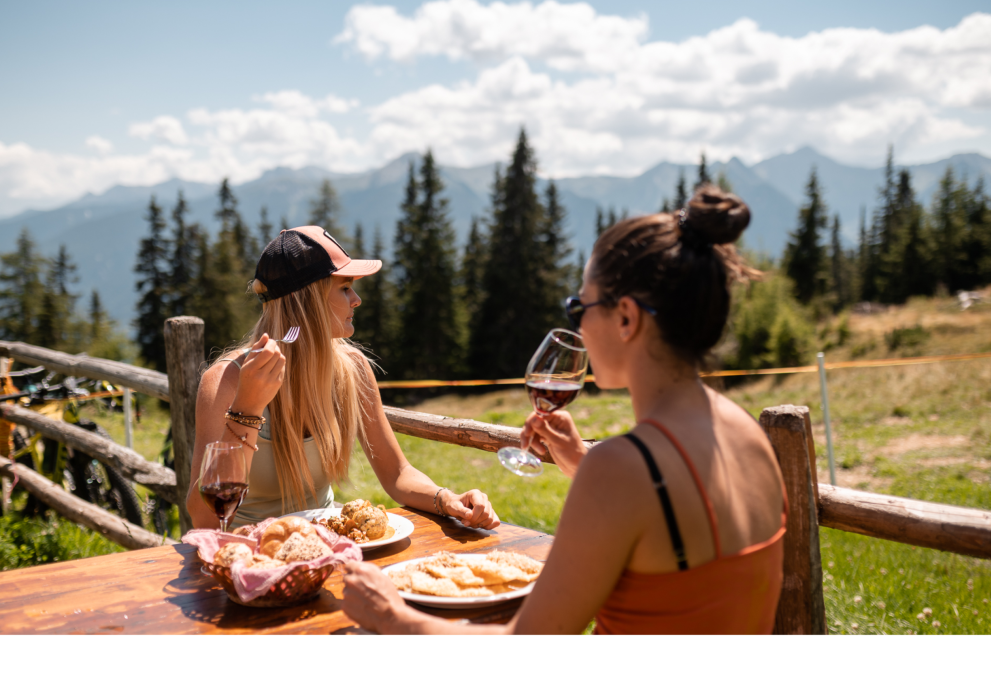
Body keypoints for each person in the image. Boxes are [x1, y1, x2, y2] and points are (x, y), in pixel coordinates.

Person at [342, 186, 786, 635]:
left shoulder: (626, 469)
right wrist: (581, 461)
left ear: (627, 318)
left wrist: (391, 616)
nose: (576, 324)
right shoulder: (747, 434)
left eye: (579, 307)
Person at [187, 225, 500, 532]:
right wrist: (248, 407)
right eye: (345, 287)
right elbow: (204, 519)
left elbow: (397, 473)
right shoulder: (226, 381)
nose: (357, 300)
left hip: (323, 549)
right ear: (308, 298)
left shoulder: (352, 368)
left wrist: (446, 499)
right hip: (246, 558)